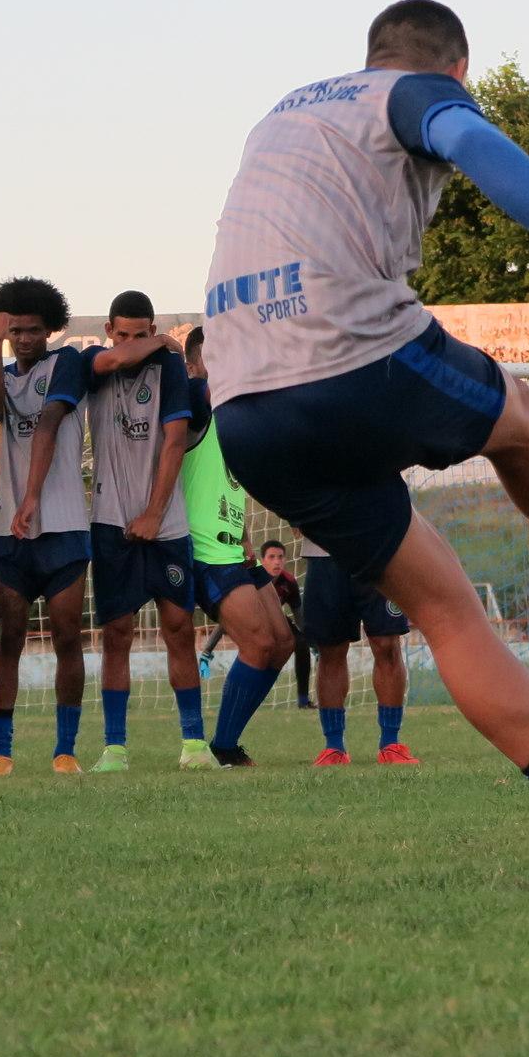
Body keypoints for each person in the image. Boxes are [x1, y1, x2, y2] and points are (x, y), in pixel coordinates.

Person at [204, 0, 529, 851]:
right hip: (350, 352)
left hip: (247, 411)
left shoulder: (283, 113)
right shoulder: (408, 94)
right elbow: (474, 143)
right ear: (457, 70)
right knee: (517, 414)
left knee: (445, 609)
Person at [73, 291, 217, 772]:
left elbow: (175, 440)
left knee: (179, 629)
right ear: (110, 332)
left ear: (152, 329)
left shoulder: (170, 371)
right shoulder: (94, 361)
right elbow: (115, 358)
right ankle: (115, 748)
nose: (131, 342)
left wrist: (155, 512)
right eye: (123, 334)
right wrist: (162, 344)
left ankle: (194, 745)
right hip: (110, 521)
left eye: (142, 334)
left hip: (168, 524)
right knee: (116, 633)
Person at [0, 277, 90, 777]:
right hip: (8, 529)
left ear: (51, 330)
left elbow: (47, 423)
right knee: (9, 637)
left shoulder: (66, 363)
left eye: (33, 330)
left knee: (68, 635)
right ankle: (1, 752)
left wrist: (35, 497)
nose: (24, 338)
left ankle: (65, 749)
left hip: (63, 526)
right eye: (15, 330)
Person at [179, 324, 296, 766]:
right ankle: (222, 746)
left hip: (235, 548)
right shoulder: (194, 401)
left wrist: (247, 535)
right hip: (205, 552)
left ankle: (227, 742)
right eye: (214, 356)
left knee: (283, 642)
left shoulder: (231, 416)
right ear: (193, 365)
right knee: (258, 643)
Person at [298, 534, 416, 767]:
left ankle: (391, 743)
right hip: (323, 553)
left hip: (378, 547)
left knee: (387, 645)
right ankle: (334, 747)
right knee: (330, 649)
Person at [257, 539, 315, 708]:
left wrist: (311, 641)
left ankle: (303, 700)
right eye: (271, 557)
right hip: (251, 620)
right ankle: (250, 696)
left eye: (280, 557)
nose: (277, 561)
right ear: (262, 560)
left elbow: (298, 614)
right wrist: (208, 650)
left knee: (301, 644)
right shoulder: (253, 580)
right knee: (261, 650)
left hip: (276, 619)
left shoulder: (288, 581)